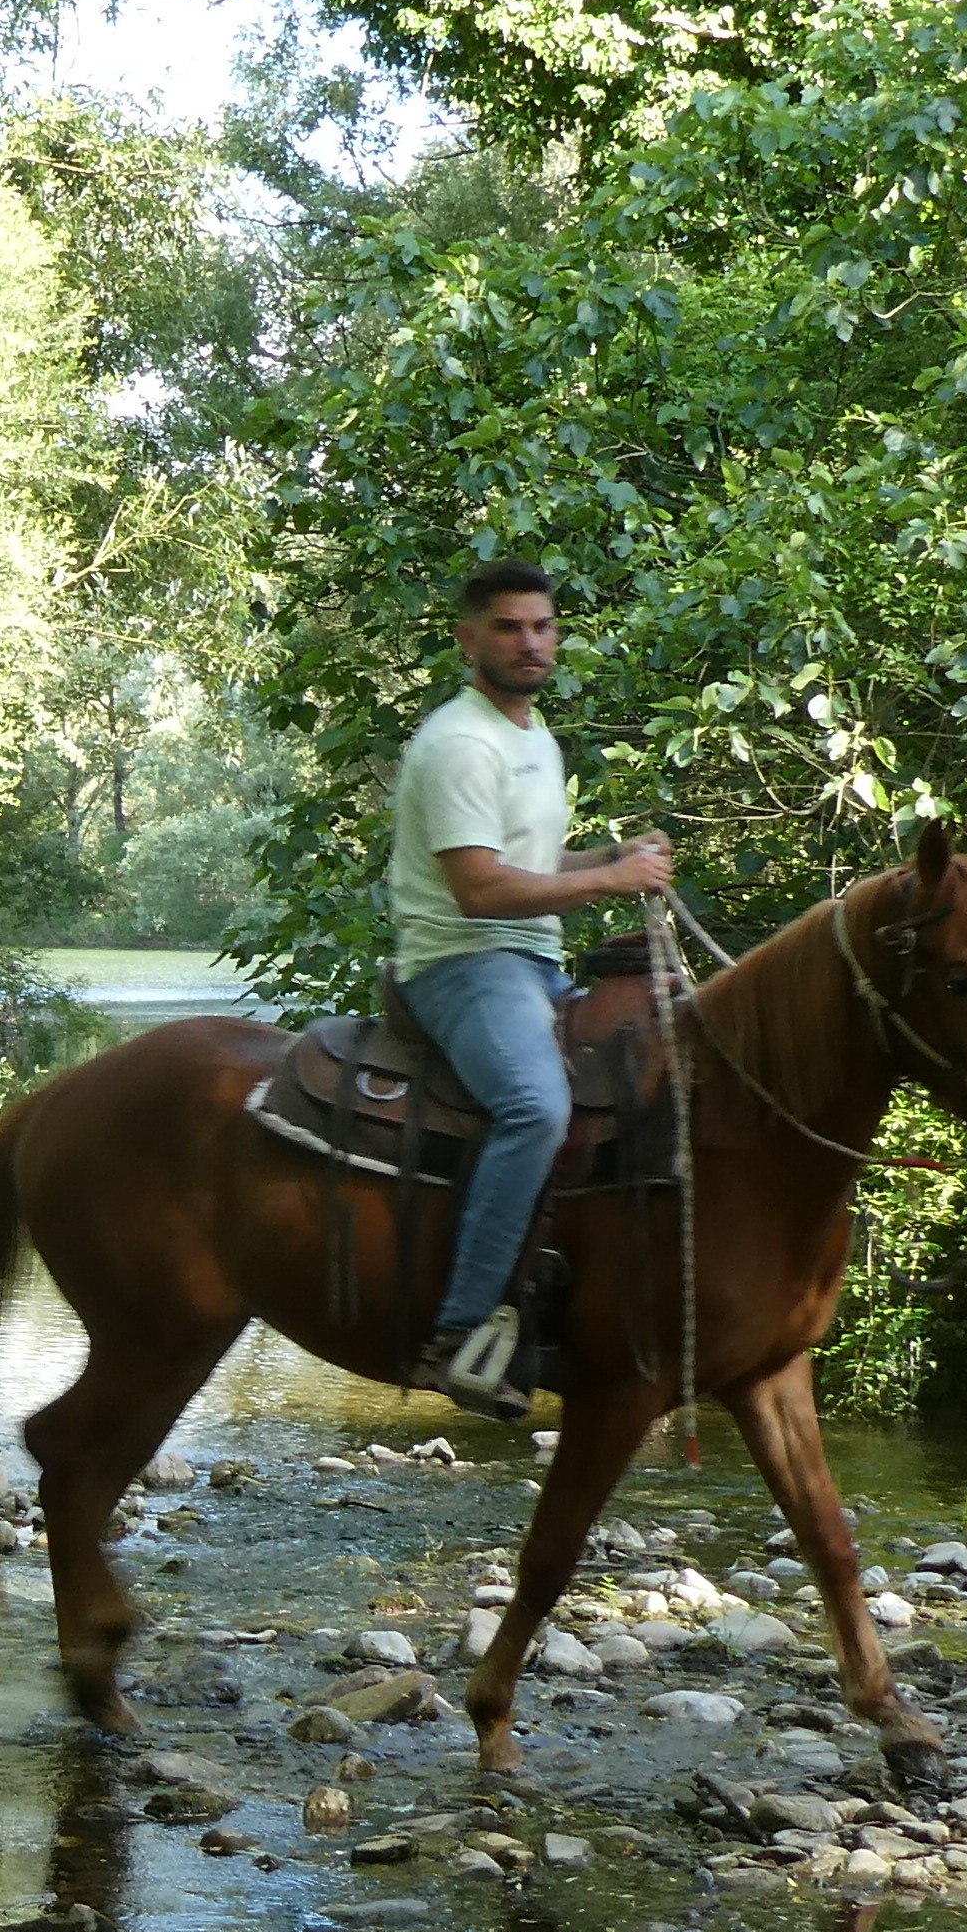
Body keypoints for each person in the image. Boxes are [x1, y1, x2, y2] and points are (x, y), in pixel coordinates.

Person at [384, 559, 670, 1417]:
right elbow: (481, 890)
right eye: (508, 627)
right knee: (537, 1108)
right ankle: (458, 1332)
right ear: (470, 639)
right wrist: (610, 885)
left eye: (542, 626)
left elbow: (532, 864)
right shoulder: (460, 742)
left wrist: (612, 859)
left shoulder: (532, 738)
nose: (529, 642)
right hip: (461, 964)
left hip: (535, 965)